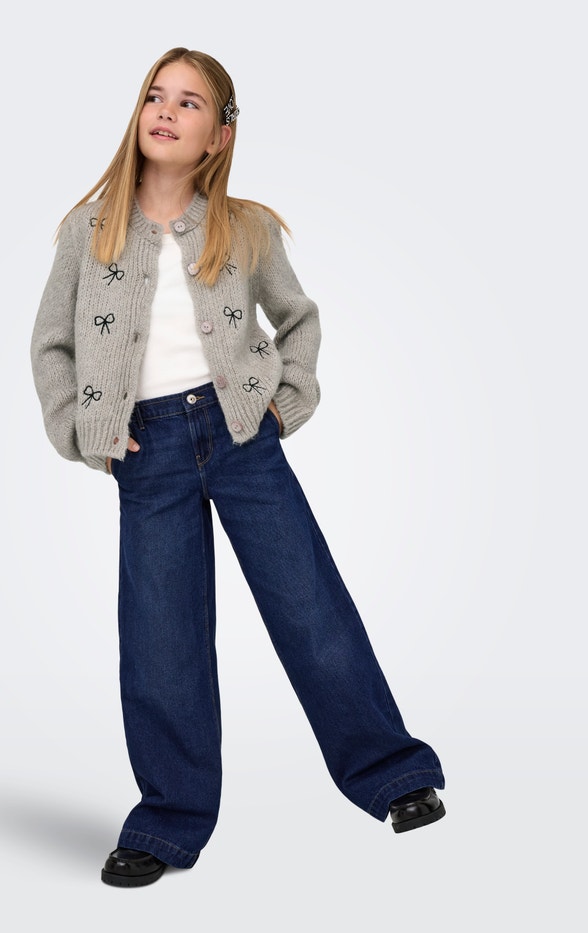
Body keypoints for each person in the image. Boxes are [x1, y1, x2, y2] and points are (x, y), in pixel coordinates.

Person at [31, 47, 446, 888]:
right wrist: (84, 430)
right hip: (145, 452)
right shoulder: (88, 228)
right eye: (156, 96)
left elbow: (298, 320)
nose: (166, 111)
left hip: (242, 438)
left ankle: (393, 772)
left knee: (310, 606)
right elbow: (52, 344)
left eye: (189, 103)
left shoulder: (246, 227)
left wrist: (285, 404)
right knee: (161, 639)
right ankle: (168, 819)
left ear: (218, 135)